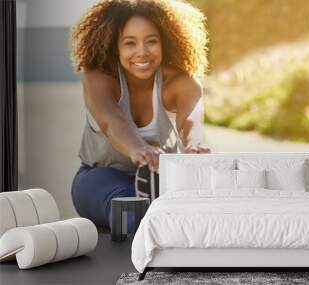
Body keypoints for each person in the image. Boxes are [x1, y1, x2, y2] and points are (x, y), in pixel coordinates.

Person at [70, 0, 210, 229]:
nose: (142, 52)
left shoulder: (181, 82)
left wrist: (194, 146)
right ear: (115, 46)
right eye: (130, 43)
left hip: (163, 176)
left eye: (151, 42)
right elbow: (110, 120)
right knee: (130, 211)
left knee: (189, 214)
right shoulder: (99, 77)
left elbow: (191, 121)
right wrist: (138, 148)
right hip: (101, 176)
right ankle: (137, 235)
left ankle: (157, 210)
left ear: (165, 42)